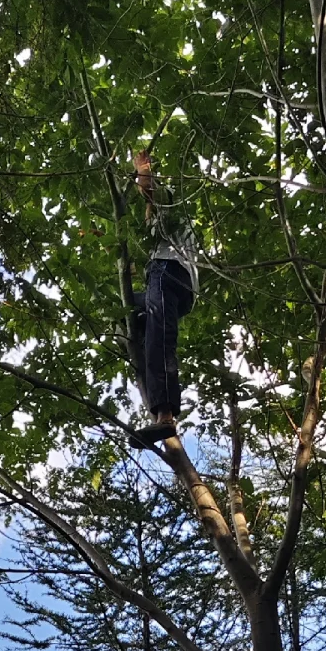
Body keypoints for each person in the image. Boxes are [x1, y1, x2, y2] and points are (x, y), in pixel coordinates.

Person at [128, 147, 198, 449]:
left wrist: (143, 168)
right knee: (129, 307)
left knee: (161, 336)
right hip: (180, 285)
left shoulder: (169, 205)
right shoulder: (164, 227)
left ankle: (165, 416)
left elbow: (150, 188)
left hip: (169, 271)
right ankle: (138, 336)